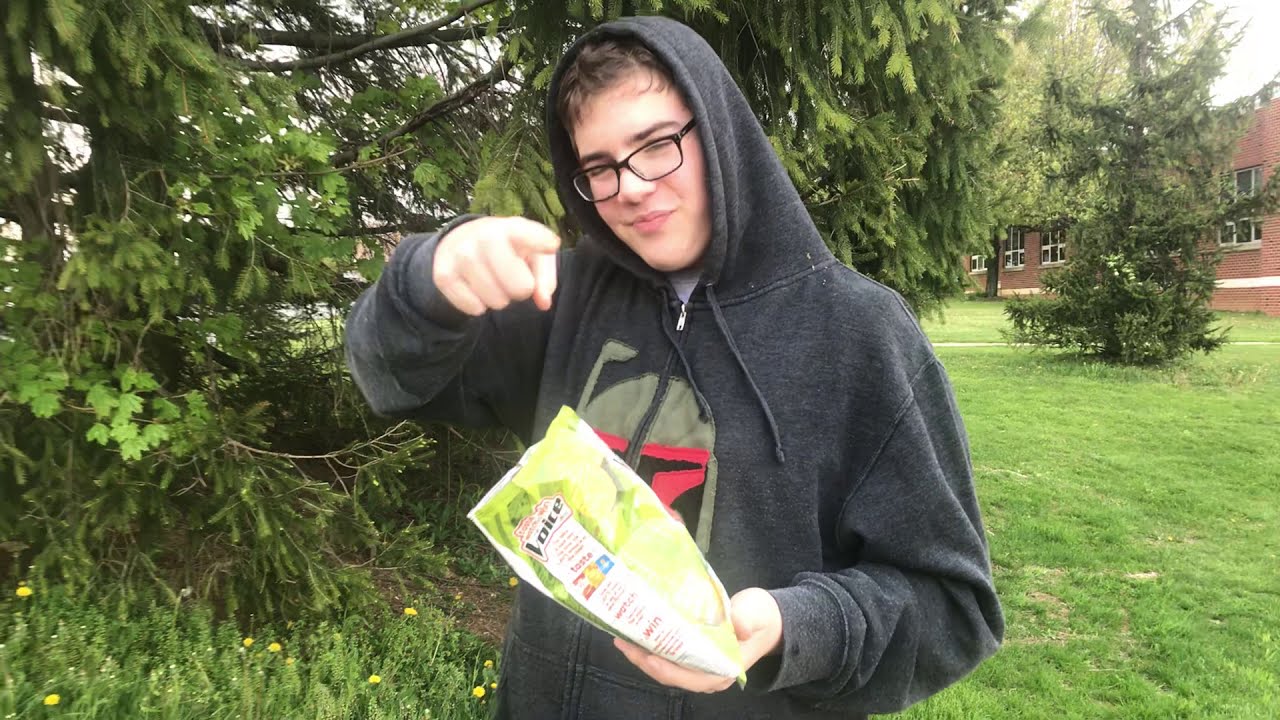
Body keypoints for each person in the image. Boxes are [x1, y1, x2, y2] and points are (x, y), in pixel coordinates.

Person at [345, 15, 1003, 719]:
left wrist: (796, 627)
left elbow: (953, 607)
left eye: (656, 146)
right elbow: (392, 380)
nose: (628, 186)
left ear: (717, 133)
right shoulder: (561, 298)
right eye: (599, 168)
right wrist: (427, 280)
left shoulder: (856, 333)